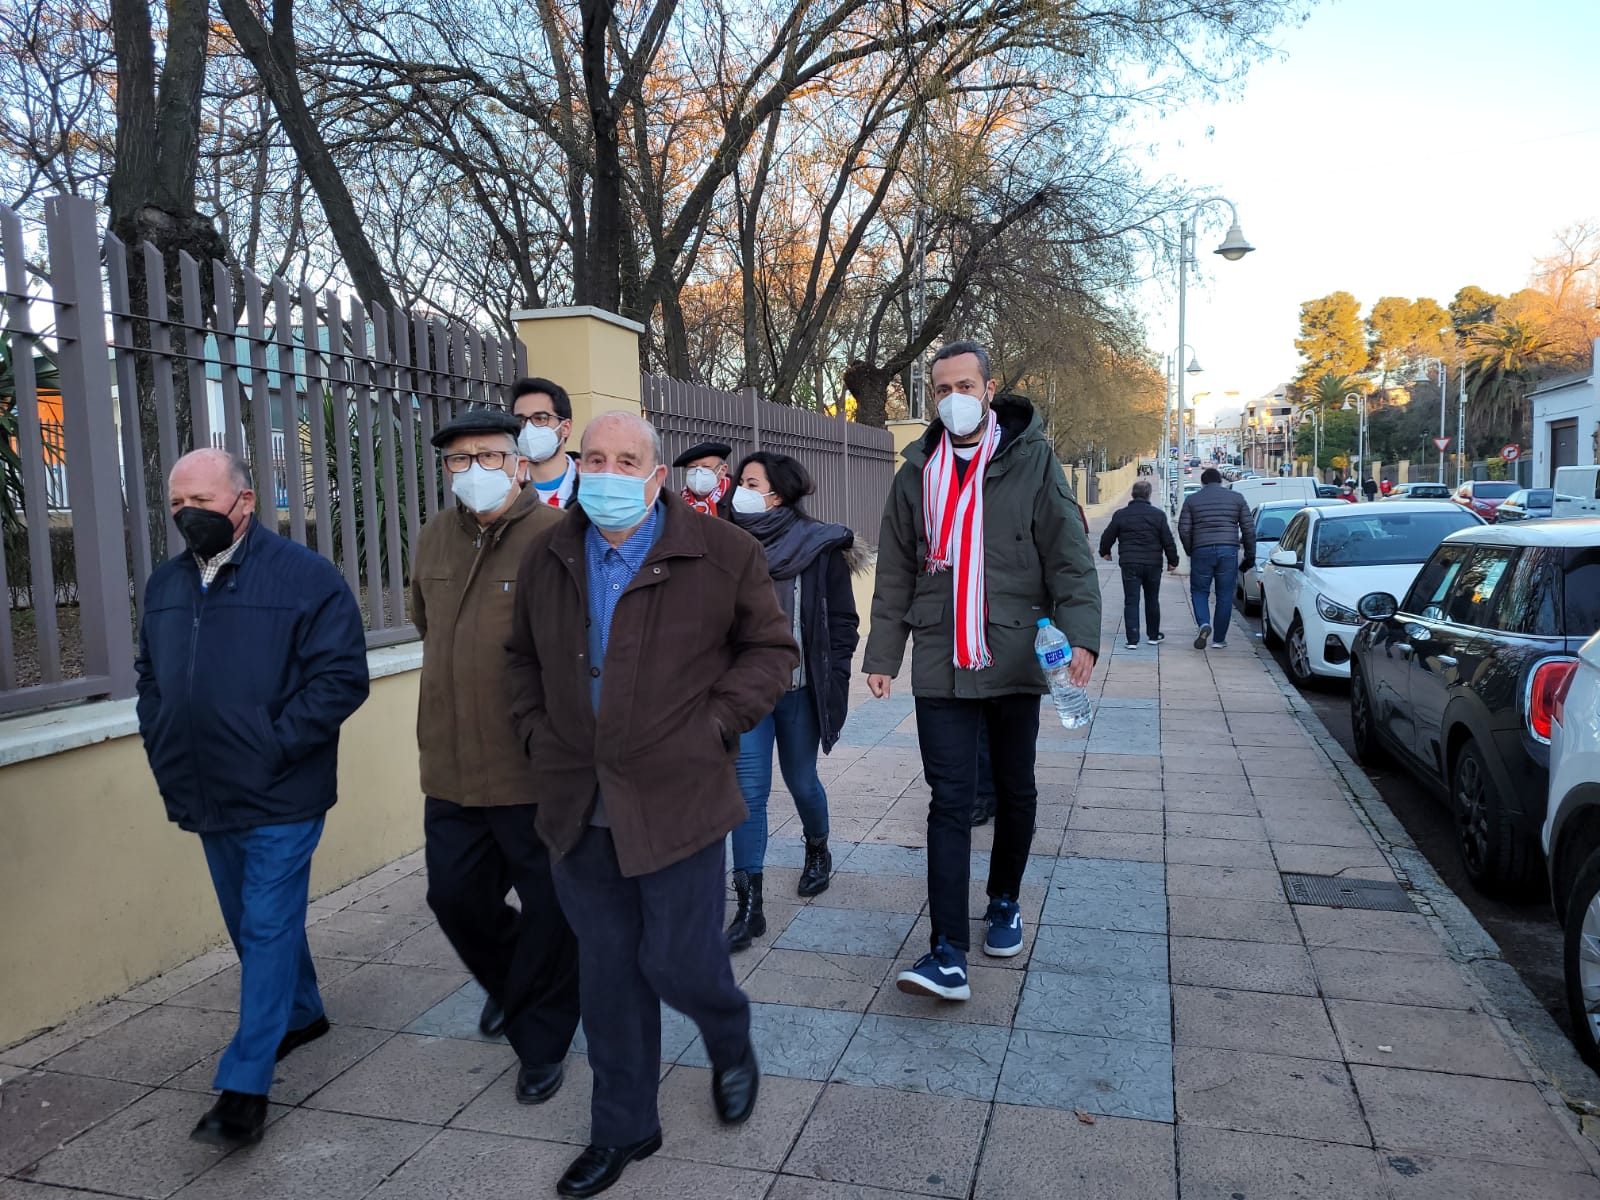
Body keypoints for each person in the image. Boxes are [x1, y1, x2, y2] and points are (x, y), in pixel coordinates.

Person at [505, 412, 797, 1198]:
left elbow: (772, 651)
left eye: (626, 460)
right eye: (595, 458)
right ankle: (624, 1124)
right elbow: (521, 659)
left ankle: (728, 1036)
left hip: (679, 796)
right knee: (608, 972)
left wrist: (715, 724)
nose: (607, 473)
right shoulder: (548, 554)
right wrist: (536, 732)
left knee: (677, 961)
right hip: (578, 799)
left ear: (656, 476)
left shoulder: (723, 552)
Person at [134, 447, 369, 1148]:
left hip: (281, 787)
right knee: (249, 919)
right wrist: (162, 736)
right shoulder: (165, 584)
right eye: (178, 504)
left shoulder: (307, 577)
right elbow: (151, 676)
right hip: (204, 785)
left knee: (265, 923)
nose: (188, 515)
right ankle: (302, 1012)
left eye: (201, 501)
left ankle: (244, 1088)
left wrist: (271, 744)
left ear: (245, 501)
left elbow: (341, 678)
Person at [863, 344, 1100, 1002]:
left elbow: (1068, 555)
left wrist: (1081, 635)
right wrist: (882, 654)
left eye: (964, 385)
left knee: (1015, 789)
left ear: (989, 390)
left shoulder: (1033, 460)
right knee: (949, 800)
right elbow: (896, 569)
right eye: (941, 389)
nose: (953, 398)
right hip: (940, 657)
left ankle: (1003, 900)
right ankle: (947, 950)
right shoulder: (915, 472)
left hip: (1013, 652)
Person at [411, 409, 581, 1105]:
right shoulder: (433, 537)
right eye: (460, 459)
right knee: (454, 899)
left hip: (531, 770)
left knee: (551, 910)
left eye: (489, 456)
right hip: (451, 767)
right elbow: (426, 625)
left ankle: (541, 1042)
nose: (474, 469)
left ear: (519, 464)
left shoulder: (559, 537)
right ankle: (516, 985)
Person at [724, 451, 864, 951]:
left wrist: (835, 675)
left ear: (778, 496)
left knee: (801, 780)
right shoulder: (724, 542)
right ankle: (750, 906)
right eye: (739, 481)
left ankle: (818, 848)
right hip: (747, 691)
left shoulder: (818, 545)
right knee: (749, 793)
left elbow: (843, 621)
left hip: (800, 688)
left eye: (751, 483)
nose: (739, 491)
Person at [1178, 466, 1255, 651]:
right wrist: (1250, 556)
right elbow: (1249, 530)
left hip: (1201, 550)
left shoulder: (1192, 500)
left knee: (1199, 591)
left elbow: (1184, 529)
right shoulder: (1237, 498)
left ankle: (1204, 623)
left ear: (1203, 482)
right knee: (1225, 595)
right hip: (1228, 551)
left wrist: (1191, 550)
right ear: (1220, 481)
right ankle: (1219, 639)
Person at [1099, 479, 1180, 649]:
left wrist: (1104, 551)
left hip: (1130, 563)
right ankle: (1153, 636)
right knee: (1152, 599)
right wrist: (1173, 561)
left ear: (1132, 494)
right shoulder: (1158, 515)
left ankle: (1132, 640)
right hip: (1153, 564)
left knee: (1131, 601)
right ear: (1149, 495)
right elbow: (1167, 540)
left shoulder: (1121, 514)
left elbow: (1108, 535)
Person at [513, 376, 581, 509]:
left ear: (565, 428)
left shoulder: (593, 486)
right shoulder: (506, 491)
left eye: (540, 418)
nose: (528, 428)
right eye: (520, 420)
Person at [674, 440, 734, 517]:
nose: (698, 473)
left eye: (706, 467)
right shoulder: (677, 503)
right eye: (692, 467)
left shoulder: (737, 500)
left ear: (722, 470)